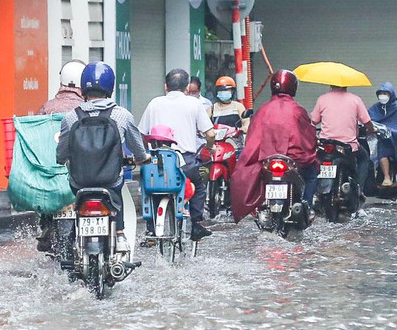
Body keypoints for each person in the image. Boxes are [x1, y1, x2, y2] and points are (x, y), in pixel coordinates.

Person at [56, 62, 148, 249]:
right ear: (110, 87)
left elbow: (62, 153)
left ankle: (75, 237)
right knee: (117, 189)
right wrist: (143, 158)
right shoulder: (122, 115)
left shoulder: (71, 117)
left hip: (79, 183)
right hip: (110, 181)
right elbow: (138, 149)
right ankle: (120, 234)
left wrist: (61, 160)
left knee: (77, 203)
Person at [138, 68, 217, 241]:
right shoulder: (194, 104)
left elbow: (142, 134)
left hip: (157, 161)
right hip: (185, 162)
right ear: (187, 87)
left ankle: (151, 228)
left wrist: (147, 151)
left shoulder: (154, 103)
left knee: (150, 188)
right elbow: (210, 134)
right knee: (199, 187)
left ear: (166, 86)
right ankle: (196, 224)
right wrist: (209, 148)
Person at [233, 69, 318, 221]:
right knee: (312, 172)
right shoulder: (298, 110)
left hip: (266, 159)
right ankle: (308, 206)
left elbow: (252, 139)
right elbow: (308, 137)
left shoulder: (262, 110)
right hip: (293, 158)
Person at [33, 60, 88, 252]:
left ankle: (46, 224)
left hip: (52, 174)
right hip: (82, 174)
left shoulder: (47, 107)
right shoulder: (87, 109)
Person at [311, 84, 376, 189]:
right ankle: (358, 188)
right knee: (364, 158)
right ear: (346, 85)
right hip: (348, 145)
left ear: (331, 85)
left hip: (326, 145)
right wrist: (372, 130)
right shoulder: (355, 100)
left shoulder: (322, 99)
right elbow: (367, 121)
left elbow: (314, 121)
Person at [367, 82, 397, 187]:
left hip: (395, 139)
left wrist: (391, 132)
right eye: (381, 93)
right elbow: (367, 119)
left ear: (391, 95)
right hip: (380, 139)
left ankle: (389, 176)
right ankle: (386, 177)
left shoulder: (396, 109)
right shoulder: (375, 108)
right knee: (381, 149)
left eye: (386, 93)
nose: (383, 96)